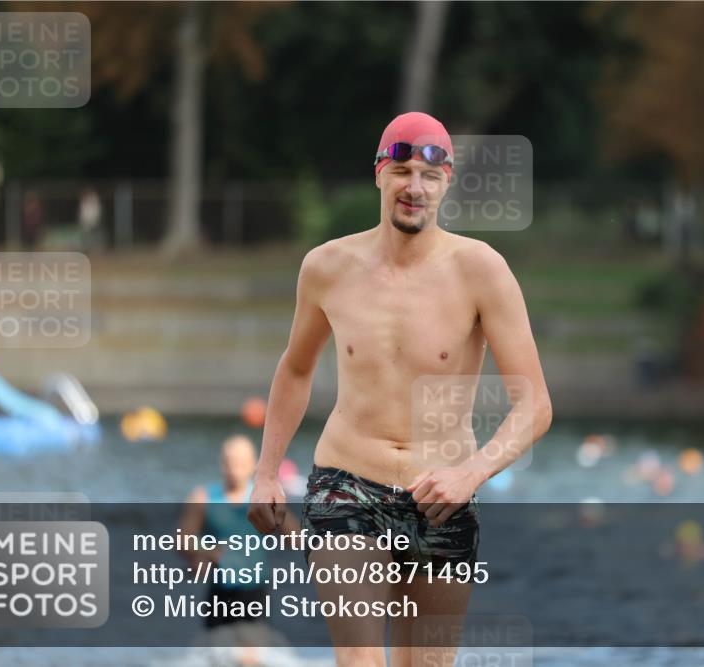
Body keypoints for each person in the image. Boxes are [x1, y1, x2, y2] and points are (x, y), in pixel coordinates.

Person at [247, 111, 553, 667]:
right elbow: (295, 368)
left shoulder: (481, 270)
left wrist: (471, 474)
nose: (415, 187)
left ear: (446, 183)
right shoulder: (327, 266)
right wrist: (267, 471)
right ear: (380, 174)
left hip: (442, 498)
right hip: (346, 484)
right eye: (403, 170)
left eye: (429, 176)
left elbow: (534, 404)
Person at [180, 434, 300, 666]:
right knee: (216, 657)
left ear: (253, 465)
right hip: (219, 591)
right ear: (222, 464)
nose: (234, 469)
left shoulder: (263, 497)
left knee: (250, 658)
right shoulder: (203, 497)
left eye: (240, 463)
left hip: (253, 592)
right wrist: (206, 551)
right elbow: (183, 541)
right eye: (229, 462)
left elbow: (296, 538)